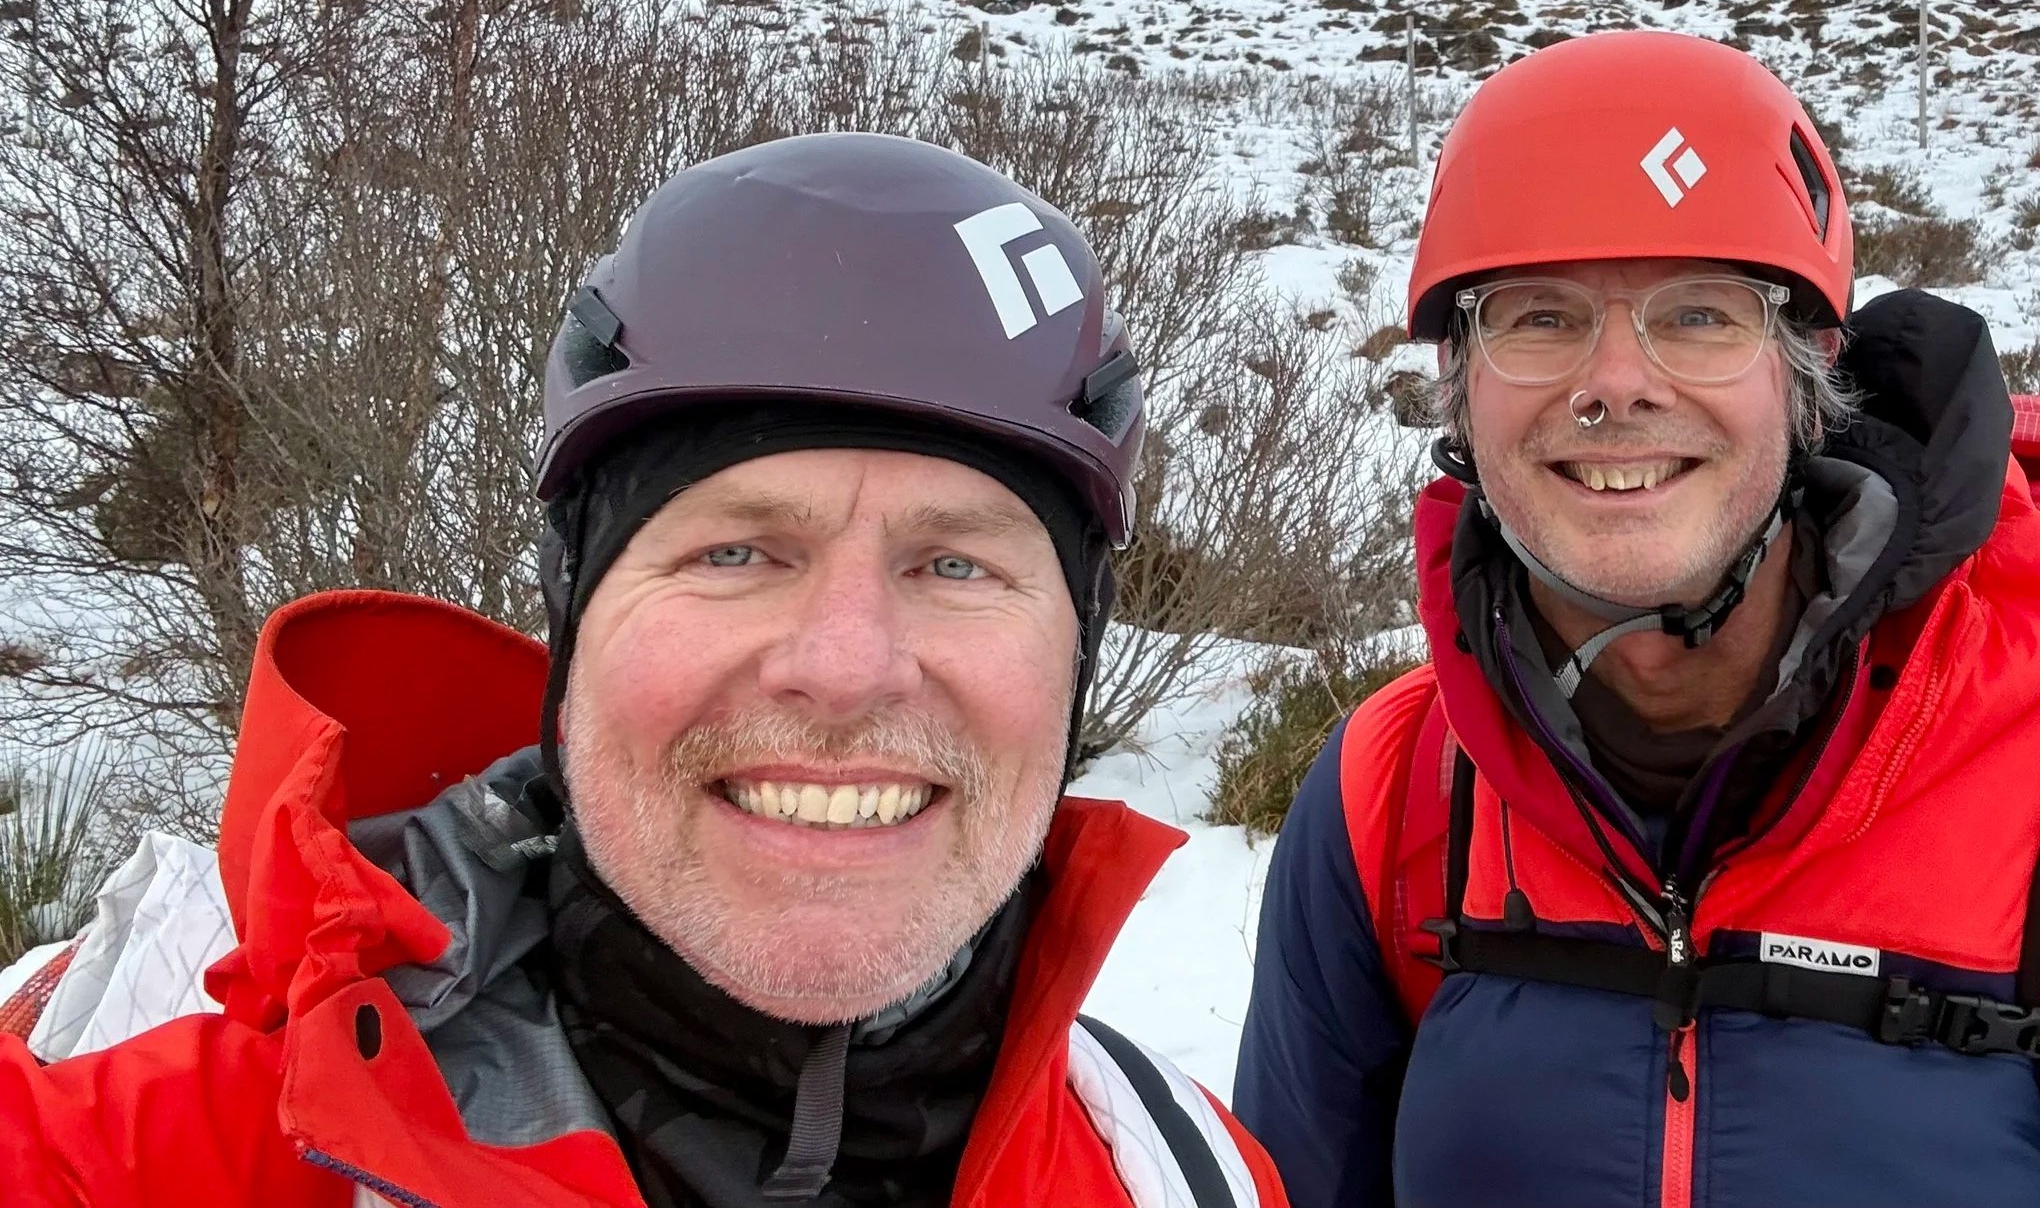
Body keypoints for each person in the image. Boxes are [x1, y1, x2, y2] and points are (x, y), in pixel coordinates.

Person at [1, 133, 1283, 1208]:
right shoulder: (149, 1152)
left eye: (957, 566)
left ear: (1077, 656)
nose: (844, 667)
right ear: (575, 621)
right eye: (734, 550)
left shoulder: (1181, 1171)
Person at [1233, 31, 2040, 1207]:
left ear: (1808, 377)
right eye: (1536, 318)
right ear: (1460, 385)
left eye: (1699, 316)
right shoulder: (1392, 799)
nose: (1616, 381)